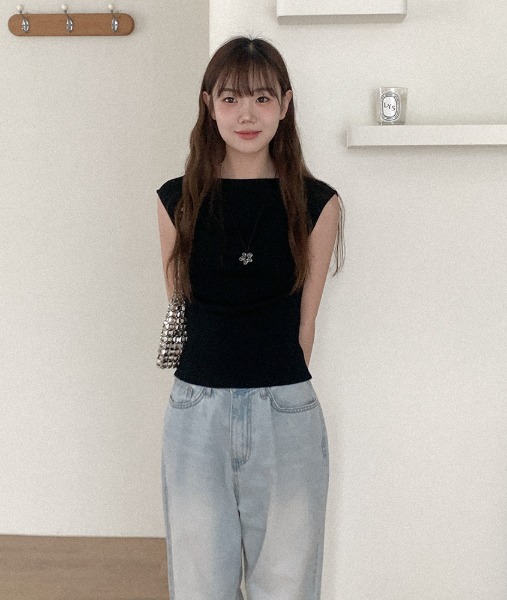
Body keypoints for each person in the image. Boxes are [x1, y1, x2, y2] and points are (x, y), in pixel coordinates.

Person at [156, 35, 344, 600]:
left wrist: (270, 391)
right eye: (231, 98)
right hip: (196, 411)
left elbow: (304, 327)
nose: (246, 114)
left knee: (287, 585)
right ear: (208, 105)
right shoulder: (175, 201)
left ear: (284, 106)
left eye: (262, 98)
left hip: (285, 411)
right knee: (199, 584)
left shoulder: (318, 204)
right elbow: (181, 306)